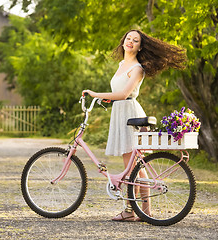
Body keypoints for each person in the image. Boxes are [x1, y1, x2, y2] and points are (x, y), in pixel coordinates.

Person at [83, 29, 187, 221]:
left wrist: (96, 94)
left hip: (130, 114)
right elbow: (118, 93)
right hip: (120, 112)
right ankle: (143, 211)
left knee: (133, 167)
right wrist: (106, 100)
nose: (130, 42)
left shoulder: (137, 68)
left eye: (135, 40)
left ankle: (132, 211)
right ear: (123, 41)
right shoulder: (123, 64)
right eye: (128, 38)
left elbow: (124, 95)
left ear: (140, 47)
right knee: (135, 166)